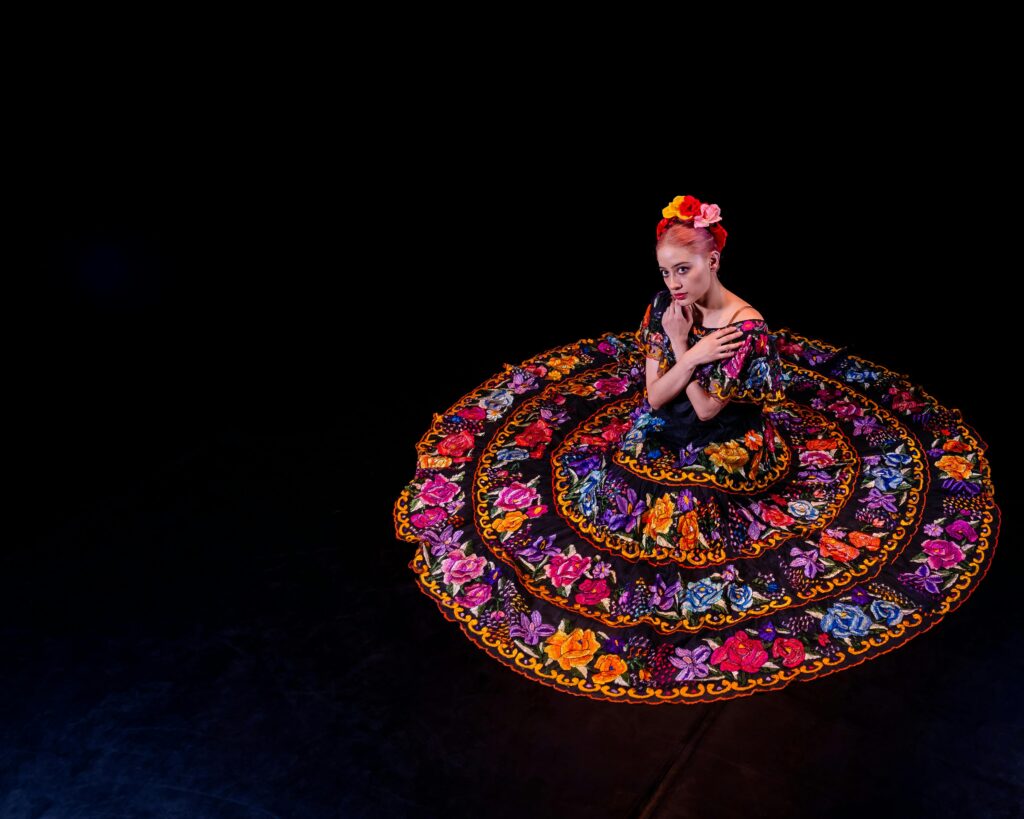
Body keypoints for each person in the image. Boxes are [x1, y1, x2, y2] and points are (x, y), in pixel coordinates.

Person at [393, 193, 1000, 705]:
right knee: (616, 479)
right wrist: (685, 348)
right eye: (665, 271)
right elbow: (655, 397)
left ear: (714, 258)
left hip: (724, 438)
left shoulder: (744, 325)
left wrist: (688, 357)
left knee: (690, 517)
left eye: (685, 269)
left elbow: (709, 409)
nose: (673, 282)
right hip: (673, 416)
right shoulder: (666, 308)